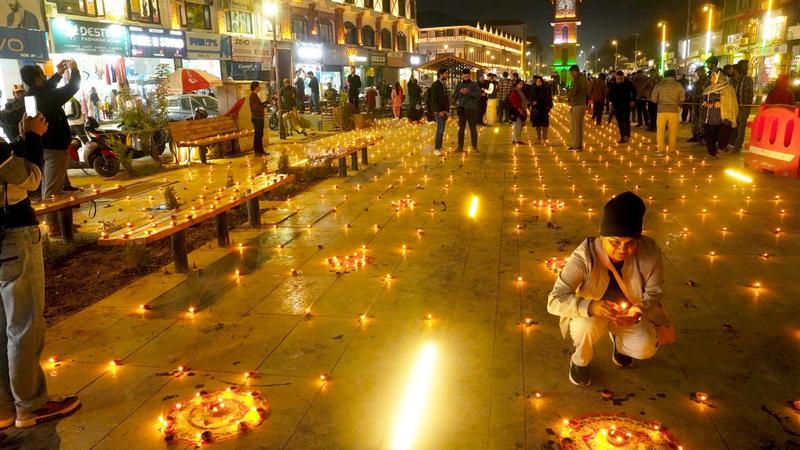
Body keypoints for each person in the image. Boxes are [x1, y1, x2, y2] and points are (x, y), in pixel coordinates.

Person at [1, 113, 82, 428]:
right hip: (13, 237)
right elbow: (31, 179)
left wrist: (20, 141)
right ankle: (31, 405)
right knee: (24, 324)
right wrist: (32, 137)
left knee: (1, 326)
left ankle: (5, 408)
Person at [548, 191, 672, 387]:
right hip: (591, 313)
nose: (623, 249)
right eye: (615, 241)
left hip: (627, 313)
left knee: (645, 347)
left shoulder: (649, 252)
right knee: (585, 328)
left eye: (631, 243)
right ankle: (580, 362)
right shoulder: (584, 257)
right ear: (602, 235)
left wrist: (639, 310)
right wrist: (590, 306)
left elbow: (654, 293)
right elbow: (554, 300)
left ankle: (620, 345)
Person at [21, 61, 80, 236]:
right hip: (54, 147)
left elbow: (47, 88)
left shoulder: (31, 96)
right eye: (42, 75)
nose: (46, 77)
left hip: (43, 145)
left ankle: (61, 224)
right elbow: (73, 87)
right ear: (38, 78)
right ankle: (53, 225)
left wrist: (59, 74)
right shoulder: (47, 97)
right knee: (53, 188)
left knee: (50, 184)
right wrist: (74, 69)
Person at [701, 69, 738, 159]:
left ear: (719, 77)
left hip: (723, 117)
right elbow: (702, 101)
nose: (711, 78)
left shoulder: (727, 88)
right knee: (710, 135)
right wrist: (708, 104)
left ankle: (721, 150)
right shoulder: (709, 88)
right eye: (711, 76)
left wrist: (721, 103)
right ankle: (711, 153)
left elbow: (732, 102)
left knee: (723, 135)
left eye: (714, 76)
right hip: (709, 116)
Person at [651, 69, 685, 157]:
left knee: (660, 131)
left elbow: (653, 99)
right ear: (674, 76)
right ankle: (672, 151)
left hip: (661, 111)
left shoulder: (659, 85)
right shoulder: (678, 85)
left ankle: (661, 150)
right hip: (673, 110)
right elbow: (682, 98)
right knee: (673, 131)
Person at [453, 68, 480, 152]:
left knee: (473, 128)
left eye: (467, 76)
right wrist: (460, 92)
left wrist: (469, 91)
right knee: (461, 128)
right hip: (462, 109)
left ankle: (474, 146)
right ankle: (460, 147)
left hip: (472, 109)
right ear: (462, 76)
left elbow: (478, 94)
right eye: (464, 76)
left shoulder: (474, 84)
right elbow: (454, 95)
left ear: (469, 75)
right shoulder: (459, 85)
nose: (465, 78)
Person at [730, 60, 753, 153]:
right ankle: (731, 143)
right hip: (734, 107)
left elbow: (750, 93)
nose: (746, 68)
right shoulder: (732, 80)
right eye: (744, 66)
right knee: (734, 126)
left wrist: (747, 105)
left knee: (741, 127)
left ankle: (737, 146)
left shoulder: (747, 79)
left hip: (744, 106)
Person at [608, 71, 636, 144]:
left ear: (623, 77)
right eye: (618, 78)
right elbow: (610, 94)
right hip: (617, 105)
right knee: (620, 121)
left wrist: (633, 100)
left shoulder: (628, 83)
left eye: (621, 78)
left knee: (626, 120)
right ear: (616, 77)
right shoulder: (613, 84)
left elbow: (634, 91)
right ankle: (622, 136)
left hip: (626, 104)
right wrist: (611, 102)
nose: (619, 80)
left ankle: (627, 135)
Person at [567, 65, 589, 151]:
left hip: (576, 104)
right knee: (580, 125)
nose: (570, 74)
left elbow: (573, 91)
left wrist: (568, 93)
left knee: (575, 125)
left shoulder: (576, 79)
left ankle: (575, 145)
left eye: (570, 72)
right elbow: (588, 90)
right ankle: (579, 144)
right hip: (582, 103)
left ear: (574, 71)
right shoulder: (584, 78)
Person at [428, 68, 449, 156]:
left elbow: (444, 98)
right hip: (439, 111)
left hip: (443, 111)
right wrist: (438, 111)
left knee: (442, 129)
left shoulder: (442, 85)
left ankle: (440, 147)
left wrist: (446, 110)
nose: (446, 75)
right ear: (441, 74)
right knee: (440, 129)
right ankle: (436, 148)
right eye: (445, 74)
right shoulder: (435, 85)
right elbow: (433, 99)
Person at [529, 76, 553, 144]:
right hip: (536, 109)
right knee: (537, 124)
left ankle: (545, 138)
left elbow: (548, 99)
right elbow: (531, 98)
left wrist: (548, 107)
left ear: (542, 82)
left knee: (544, 124)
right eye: (537, 81)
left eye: (539, 81)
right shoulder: (534, 89)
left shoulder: (545, 89)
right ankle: (539, 138)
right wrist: (532, 103)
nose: (538, 83)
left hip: (544, 109)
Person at [688, 66, 709, 143]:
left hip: (704, 104)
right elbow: (692, 92)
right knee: (694, 119)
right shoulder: (696, 83)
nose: (699, 74)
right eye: (698, 72)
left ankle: (702, 136)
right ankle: (695, 135)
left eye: (700, 72)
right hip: (696, 103)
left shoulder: (707, 81)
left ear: (704, 72)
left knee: (702, 121)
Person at [248, 81, 266, 154]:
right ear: (256, 87)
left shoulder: (255, 95)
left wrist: (262, 104)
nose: (260, 87)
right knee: (258, 135)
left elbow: (257, 106)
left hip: (259, 117)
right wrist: (262, 105)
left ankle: (260, 150)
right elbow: (255, 107)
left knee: (260, 134)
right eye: (259, 86)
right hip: (257, 118)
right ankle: (257, 151)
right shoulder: (253, 96)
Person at [508, 79, 528, 145]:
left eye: (522, 84)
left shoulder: (520, 91)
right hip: (516, 111)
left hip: (521, 110)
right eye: (520, 84)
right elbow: (514, 101)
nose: (522, 85)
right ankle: (516, 140)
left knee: (519, 125)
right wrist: (519, 109)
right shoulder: (515, 91)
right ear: (517, 84)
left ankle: (516, 139)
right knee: (517, 125)